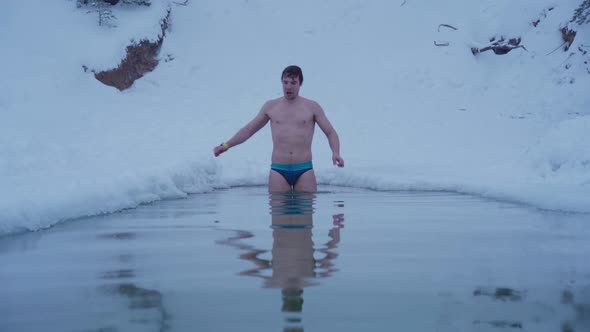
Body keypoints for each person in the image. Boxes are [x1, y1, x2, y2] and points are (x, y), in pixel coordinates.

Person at [213, 65, 344, 193]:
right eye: (285, 82)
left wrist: (335, 152)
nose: (288, 86)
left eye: (293, 82)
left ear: (300, 83)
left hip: (304, 169)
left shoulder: (312, 107)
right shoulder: (271, 107)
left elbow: (330, 132)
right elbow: (249, 129)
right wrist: (225, 145)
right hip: (278, 170)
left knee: (305, 214)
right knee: (279, 213)